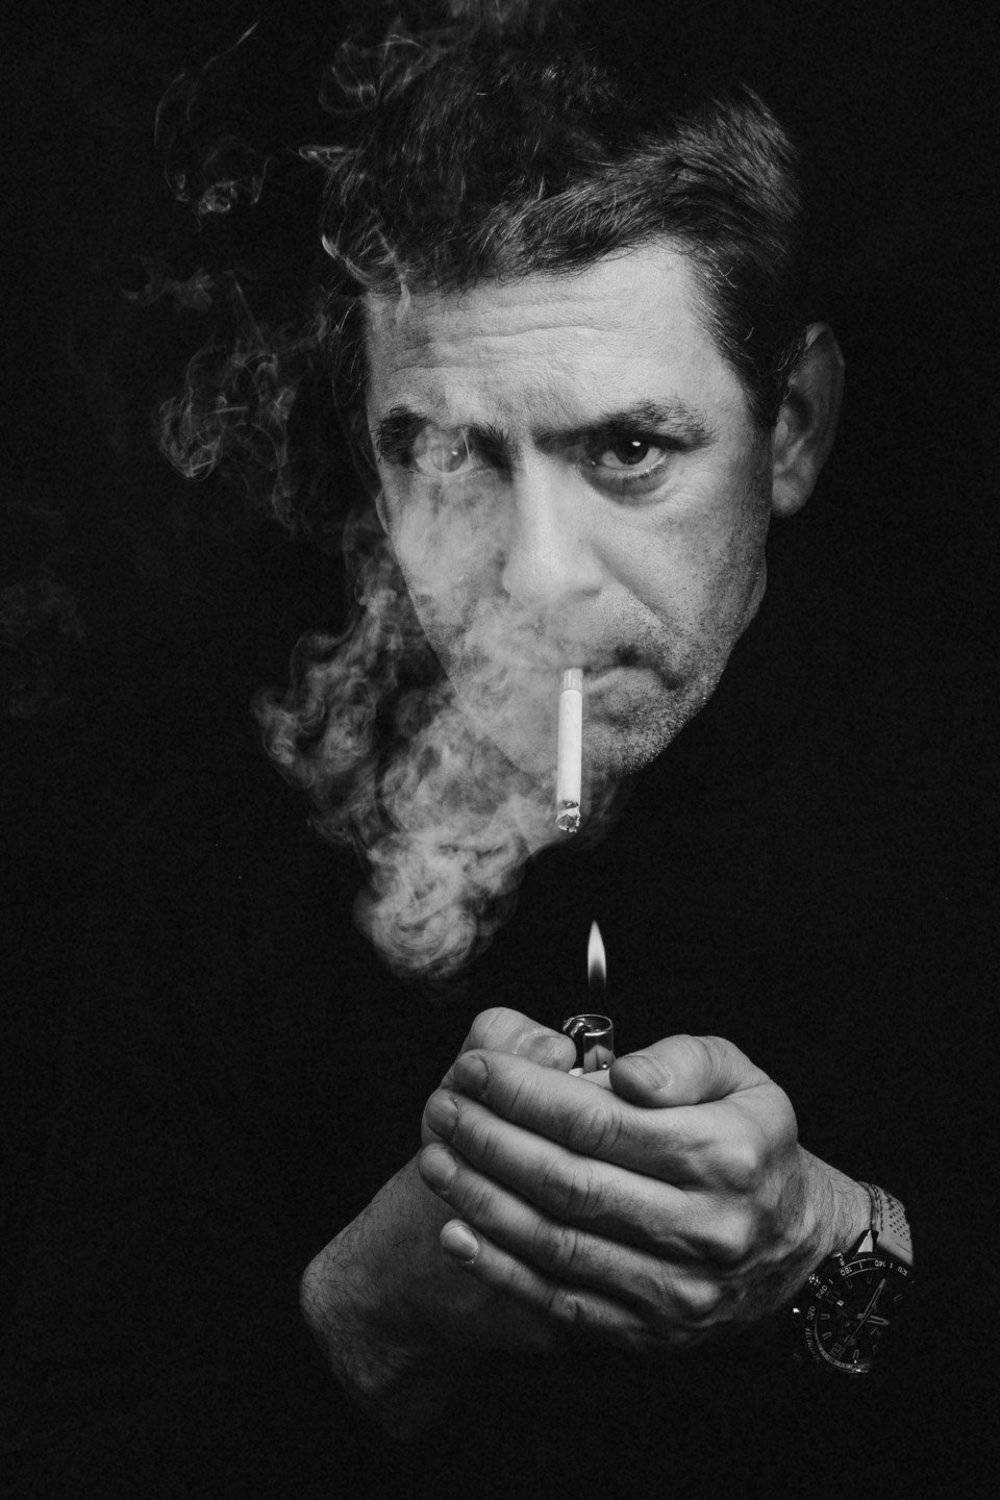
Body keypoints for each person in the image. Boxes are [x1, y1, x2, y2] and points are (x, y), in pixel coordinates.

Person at [2, 5, 995, 1496]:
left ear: (791, 425)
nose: (534, 578)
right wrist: (370, 1312)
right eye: (449, 452)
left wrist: (825, 1246)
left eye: (627, 451)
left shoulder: (963, 816)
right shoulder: (207, 872)